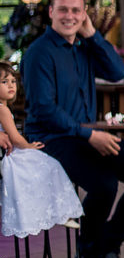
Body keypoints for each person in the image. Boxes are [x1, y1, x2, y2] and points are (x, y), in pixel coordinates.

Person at [23, 0, 124, 258]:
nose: (69, 16)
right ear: (51, 12)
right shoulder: (38, 53)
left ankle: (107, 244)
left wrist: (93, 35)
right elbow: (44, 109)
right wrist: (89, 135)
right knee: (104, 184)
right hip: (52, 138)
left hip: (87, 135)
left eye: (76, 10)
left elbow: (117, 72)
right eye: (63, 9)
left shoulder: (84, 46)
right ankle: (87, 251)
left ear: (84, 14)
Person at [0, 62, 83, 239]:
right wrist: (29, 146)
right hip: (9, 154)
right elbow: (15, 138)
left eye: (13, 81)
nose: (11, 86)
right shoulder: (3, 110)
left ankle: (57, 211)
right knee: (49, 165)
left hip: (7, 152)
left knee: (46, 165)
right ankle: (58, 211)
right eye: (4, 82)